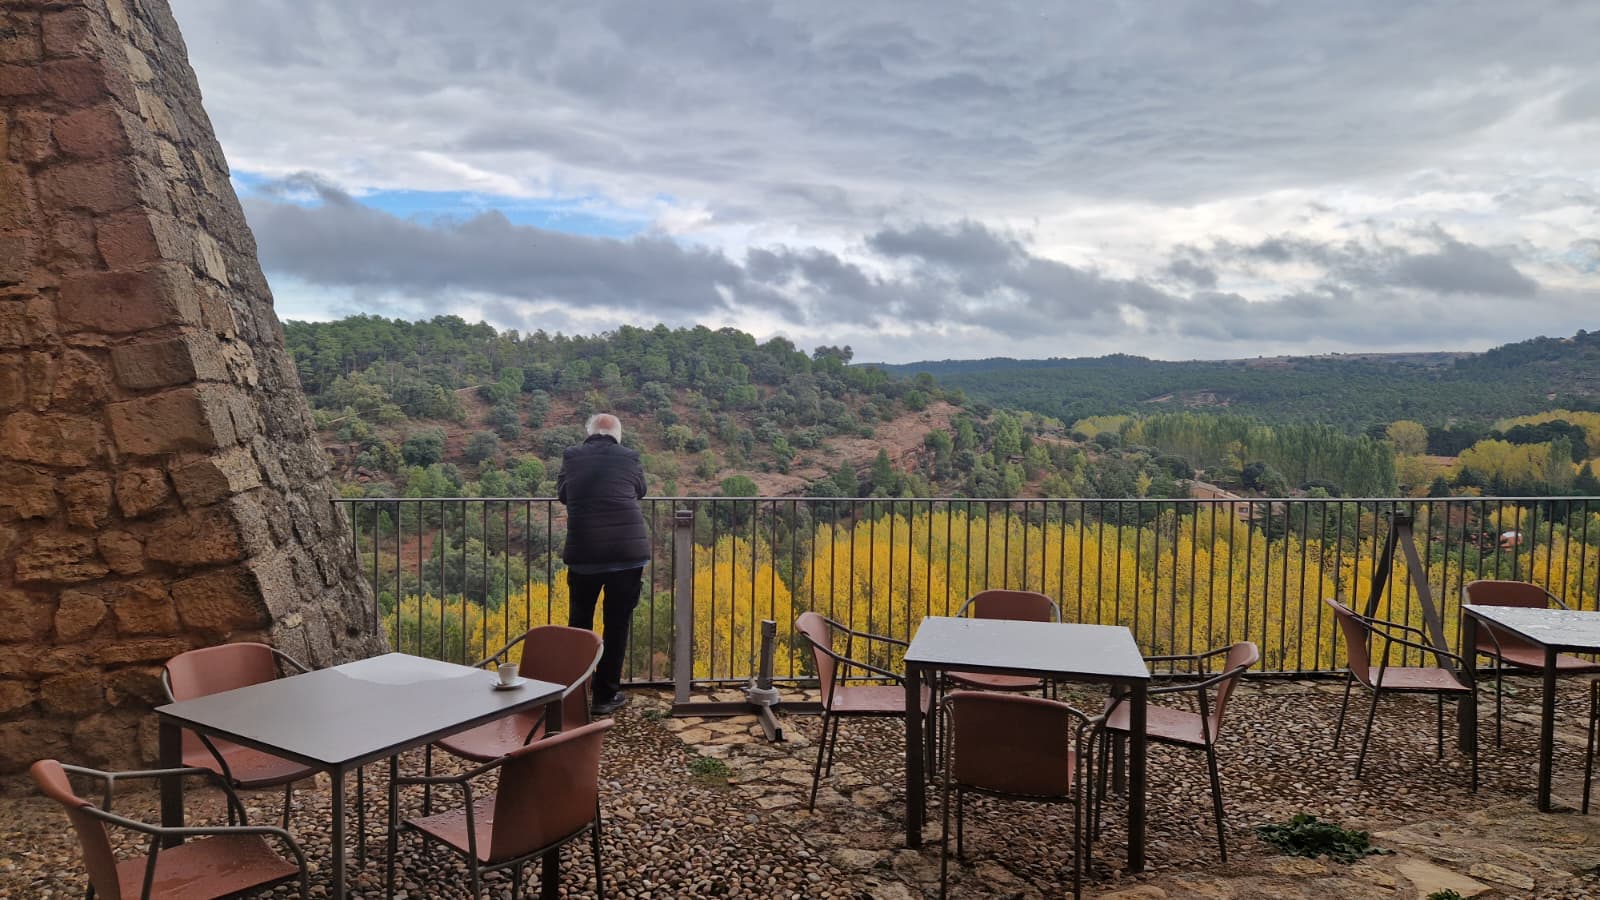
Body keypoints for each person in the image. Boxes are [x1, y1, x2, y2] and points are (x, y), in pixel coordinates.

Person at [557, 413, 649, 715]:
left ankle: (576, 692)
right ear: (618, 435)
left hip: (585, 553)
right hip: (627, 552)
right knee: (617, 624)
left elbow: (564, 494)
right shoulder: (630, 456)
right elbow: (640, 489)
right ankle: (605, 696)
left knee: (580, 624)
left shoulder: (572, 456)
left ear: (589, 432)